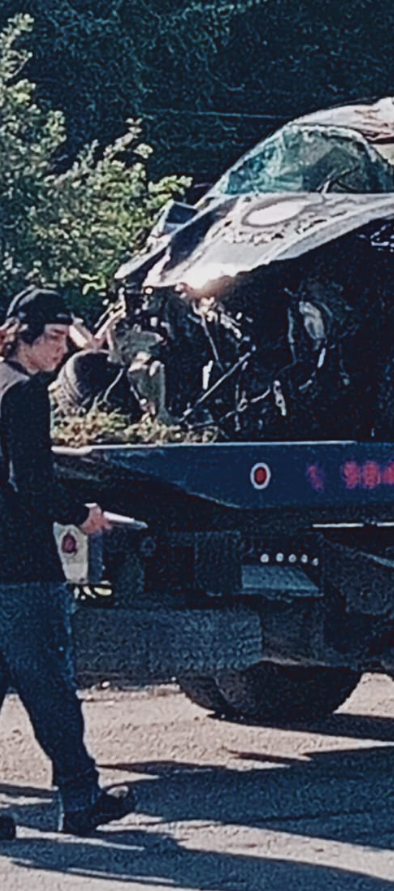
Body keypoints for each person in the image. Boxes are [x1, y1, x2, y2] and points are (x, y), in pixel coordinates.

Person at [0, 287, 136, 840]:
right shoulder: (26, 394)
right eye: (52, 339)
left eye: (64, 338)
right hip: (23, 567)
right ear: (21, 335)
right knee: (51, 686)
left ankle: (80, 795)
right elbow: (29, 483)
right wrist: (81, 514)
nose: (60, 351)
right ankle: (81, 800)